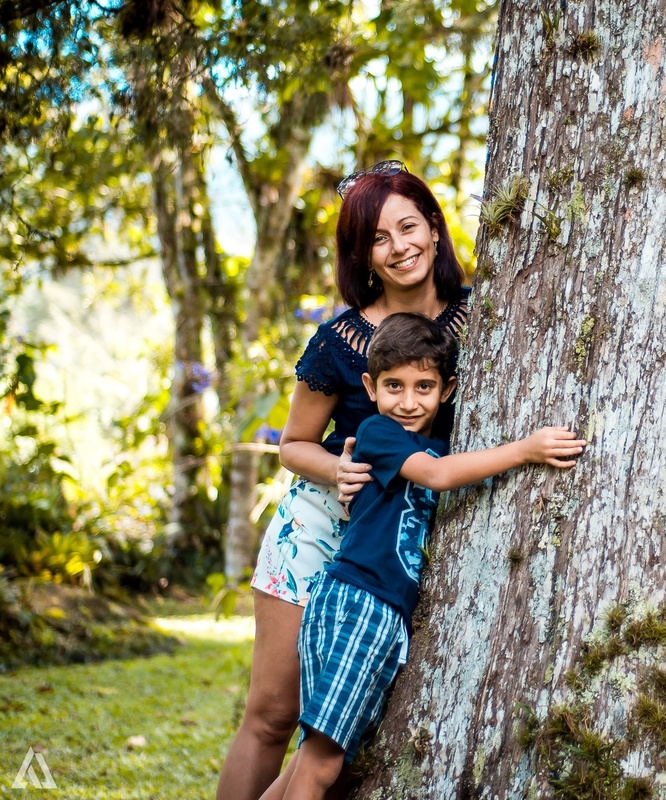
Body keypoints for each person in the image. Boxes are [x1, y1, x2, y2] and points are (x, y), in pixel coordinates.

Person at [215, 161, 471, 800]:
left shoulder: (481, 324)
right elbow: (293, 445)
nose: (399, 247)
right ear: (363, 257)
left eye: (408, 227)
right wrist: (342, 469)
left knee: (338, 740)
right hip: (321, 528)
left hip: (398, 545)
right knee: (275, 715)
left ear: (435, 229)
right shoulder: (339, 341)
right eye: (378, 240)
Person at [260, 312, 587, 800]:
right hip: (358, 603)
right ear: (370, 387)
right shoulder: (378, 433)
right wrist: (525, 450)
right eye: (394, 386)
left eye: (424, 387)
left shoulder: (430, 443)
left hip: (380, 610)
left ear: (448, 390)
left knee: (312, 758)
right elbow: (439, 476)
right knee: (322, 766)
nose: (408, 402)